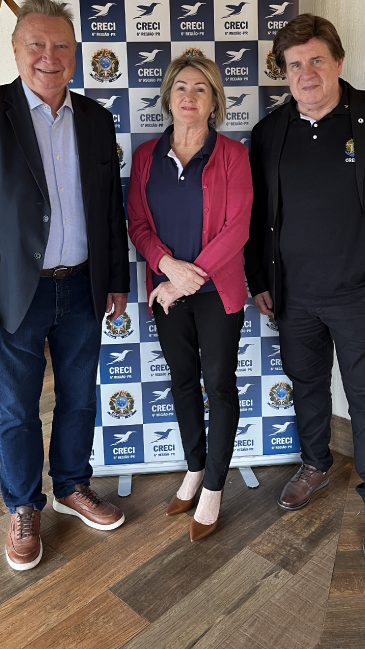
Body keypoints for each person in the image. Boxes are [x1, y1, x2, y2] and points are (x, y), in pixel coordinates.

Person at [245, 13, 365, 563]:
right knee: (306, 384)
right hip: (294, 296)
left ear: (337, 61)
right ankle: (315, 463)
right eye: (294, 65)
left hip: (364, 292)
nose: (306, 73)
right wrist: (259, 280)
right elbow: (256, 217)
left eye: (316, 60)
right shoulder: (269, 133)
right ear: (284, 73)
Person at [0, 0, 130, 571]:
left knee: (80, 397)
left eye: (61, 46)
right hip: (12, 294)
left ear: (75, 54)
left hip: (83, 288)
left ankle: (72, 486)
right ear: (16, 49)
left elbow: (110, 209)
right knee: (18, 408)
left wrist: (116, 280)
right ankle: (24, 506)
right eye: (37, 45)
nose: (50, 56)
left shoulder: (95, 118)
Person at [127, 54, 252, 542]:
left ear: (214, 101)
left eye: (201, 88)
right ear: (168, 97)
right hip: (167, 291)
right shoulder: (146, 157)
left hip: (217, 292)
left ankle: (215, 486)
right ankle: (195, 469)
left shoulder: (233, 155)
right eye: (181, 87)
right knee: (182, 382)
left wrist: (182, 280)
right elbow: (138, 224)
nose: (189, 96)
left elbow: (237, 228)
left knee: (218, 385)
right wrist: (168, 267)